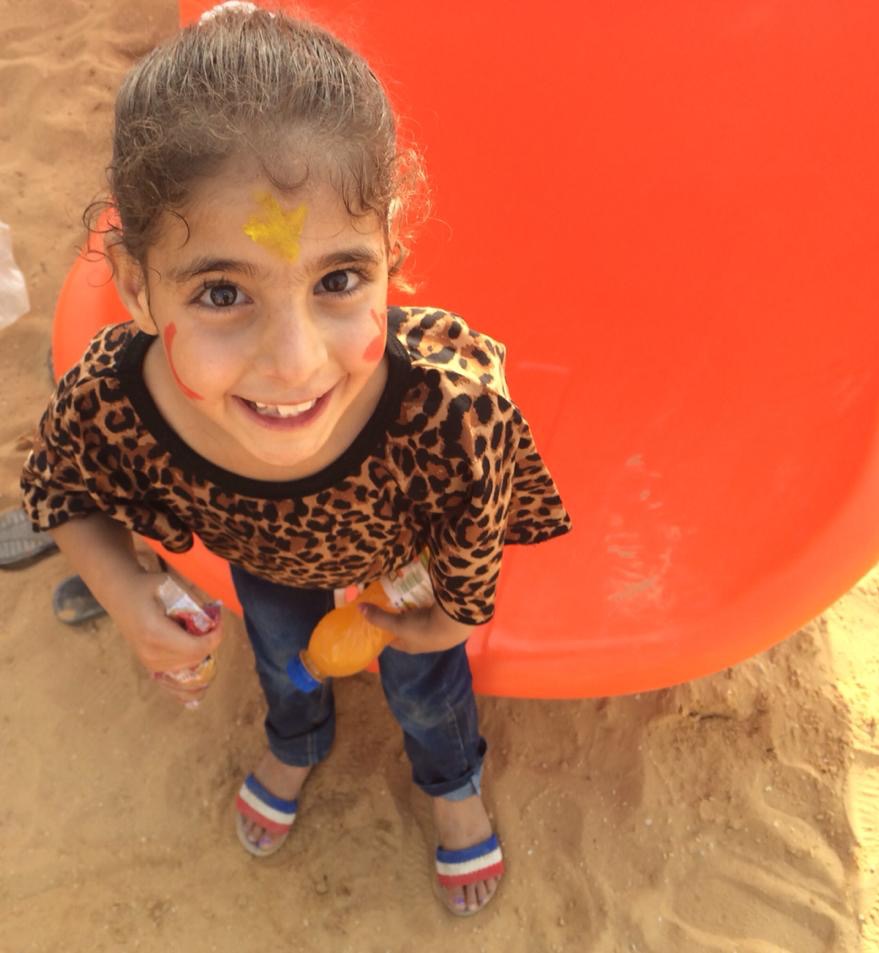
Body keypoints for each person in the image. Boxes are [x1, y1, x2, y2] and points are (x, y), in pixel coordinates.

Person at [20, 6, 571, 916]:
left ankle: (452, 784)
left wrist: (453, 612)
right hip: (265, 564)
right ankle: (297, 739)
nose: (293, 362)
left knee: (427, 688)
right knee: (284, 658)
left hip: (399, 572)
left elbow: (480, 507)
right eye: (222, 292)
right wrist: (124, 593)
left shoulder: (443, 405)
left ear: (390, 249)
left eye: (338, 280)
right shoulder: (113, 401)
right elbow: (64, 492)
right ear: (135, 287)